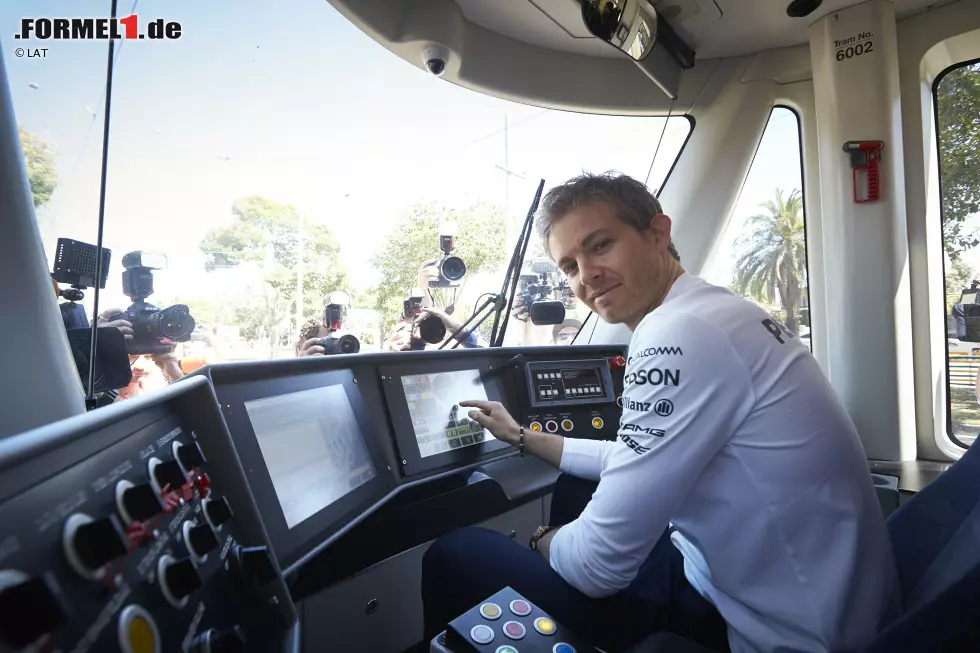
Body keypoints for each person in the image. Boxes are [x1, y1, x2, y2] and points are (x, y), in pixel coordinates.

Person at [421, 172, 901, 652]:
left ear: (658, 233)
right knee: (576, 486)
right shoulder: (718, 312)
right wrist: (524, 437)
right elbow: (636, 457)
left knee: (457, 553)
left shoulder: (676, 333)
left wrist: (540, 540)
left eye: (601, 245)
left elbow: (596, 566)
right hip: (796, 596)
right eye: (569, 266)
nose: (585, 276)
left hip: (782, 635)